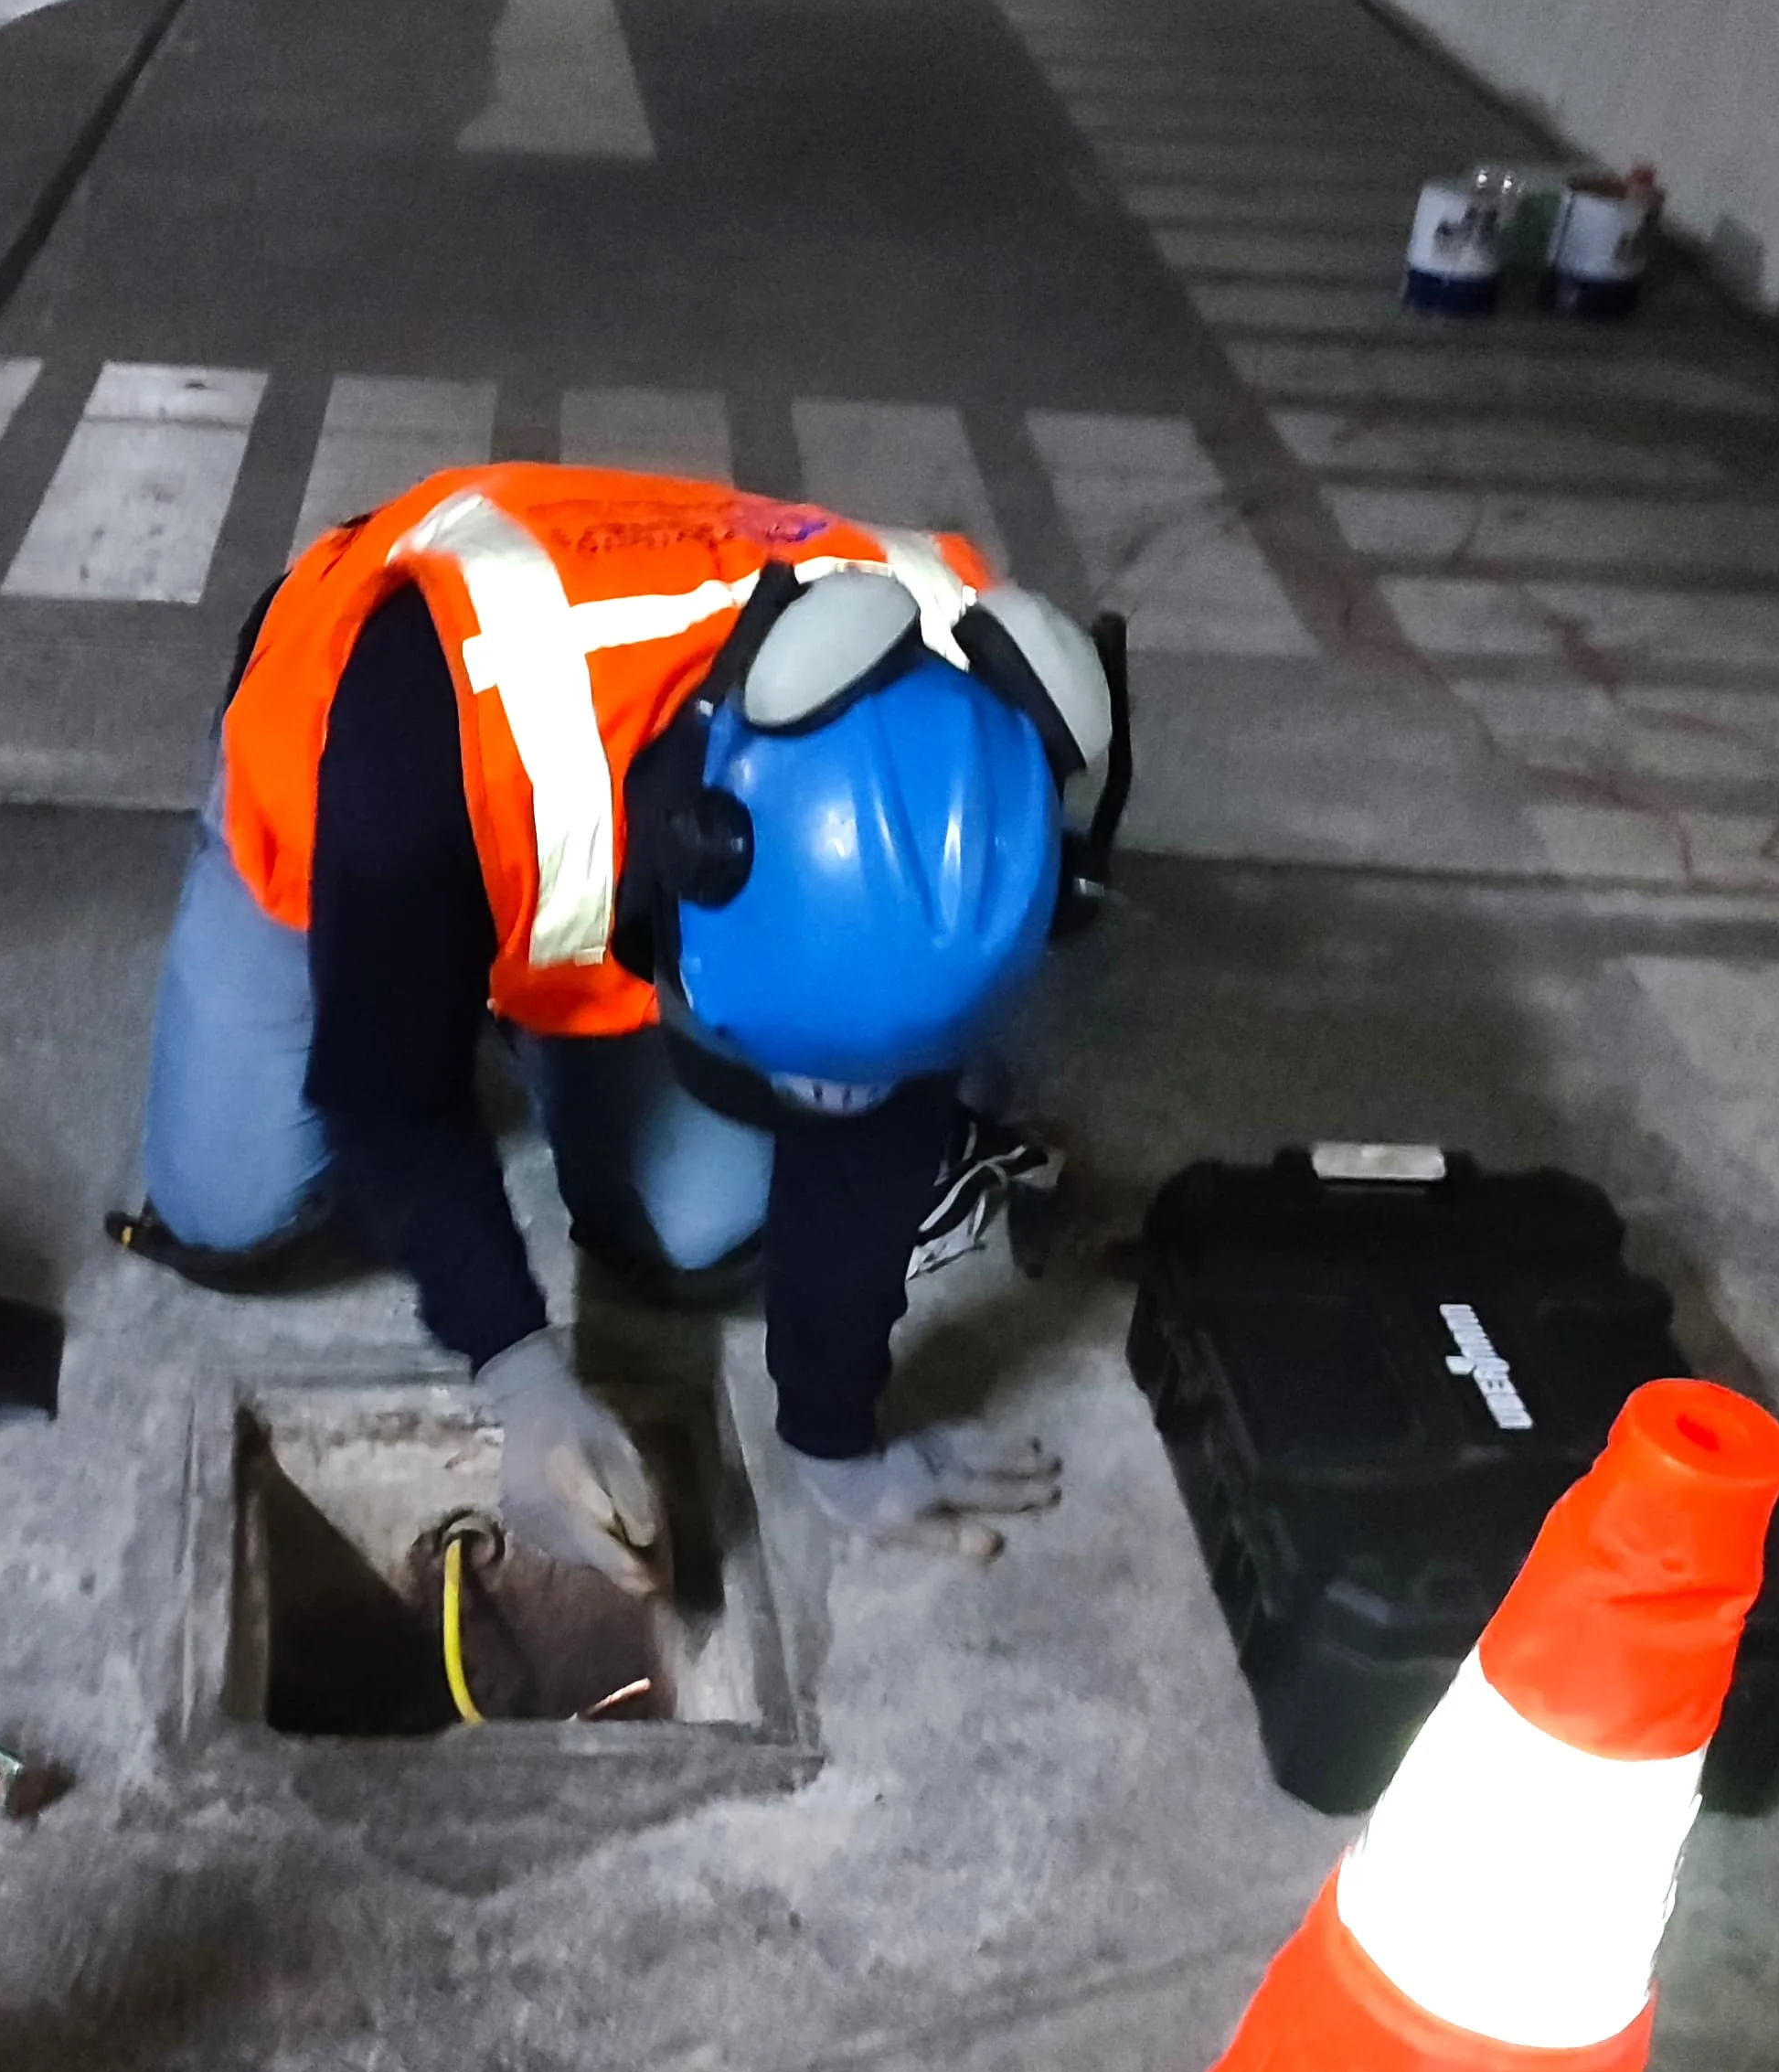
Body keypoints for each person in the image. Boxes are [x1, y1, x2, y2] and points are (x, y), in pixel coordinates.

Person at [113, 463, 1125, 1584]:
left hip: (577, 846)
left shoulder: (964, 759)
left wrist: (835, 1441)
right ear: (701, 848)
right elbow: (386, 1100)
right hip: (332, 772)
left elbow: (875, 1114)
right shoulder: (422, 744)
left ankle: (522, 1001)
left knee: (697, 1226)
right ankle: (468, 973)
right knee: (225, 1206)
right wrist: (520, 1374)